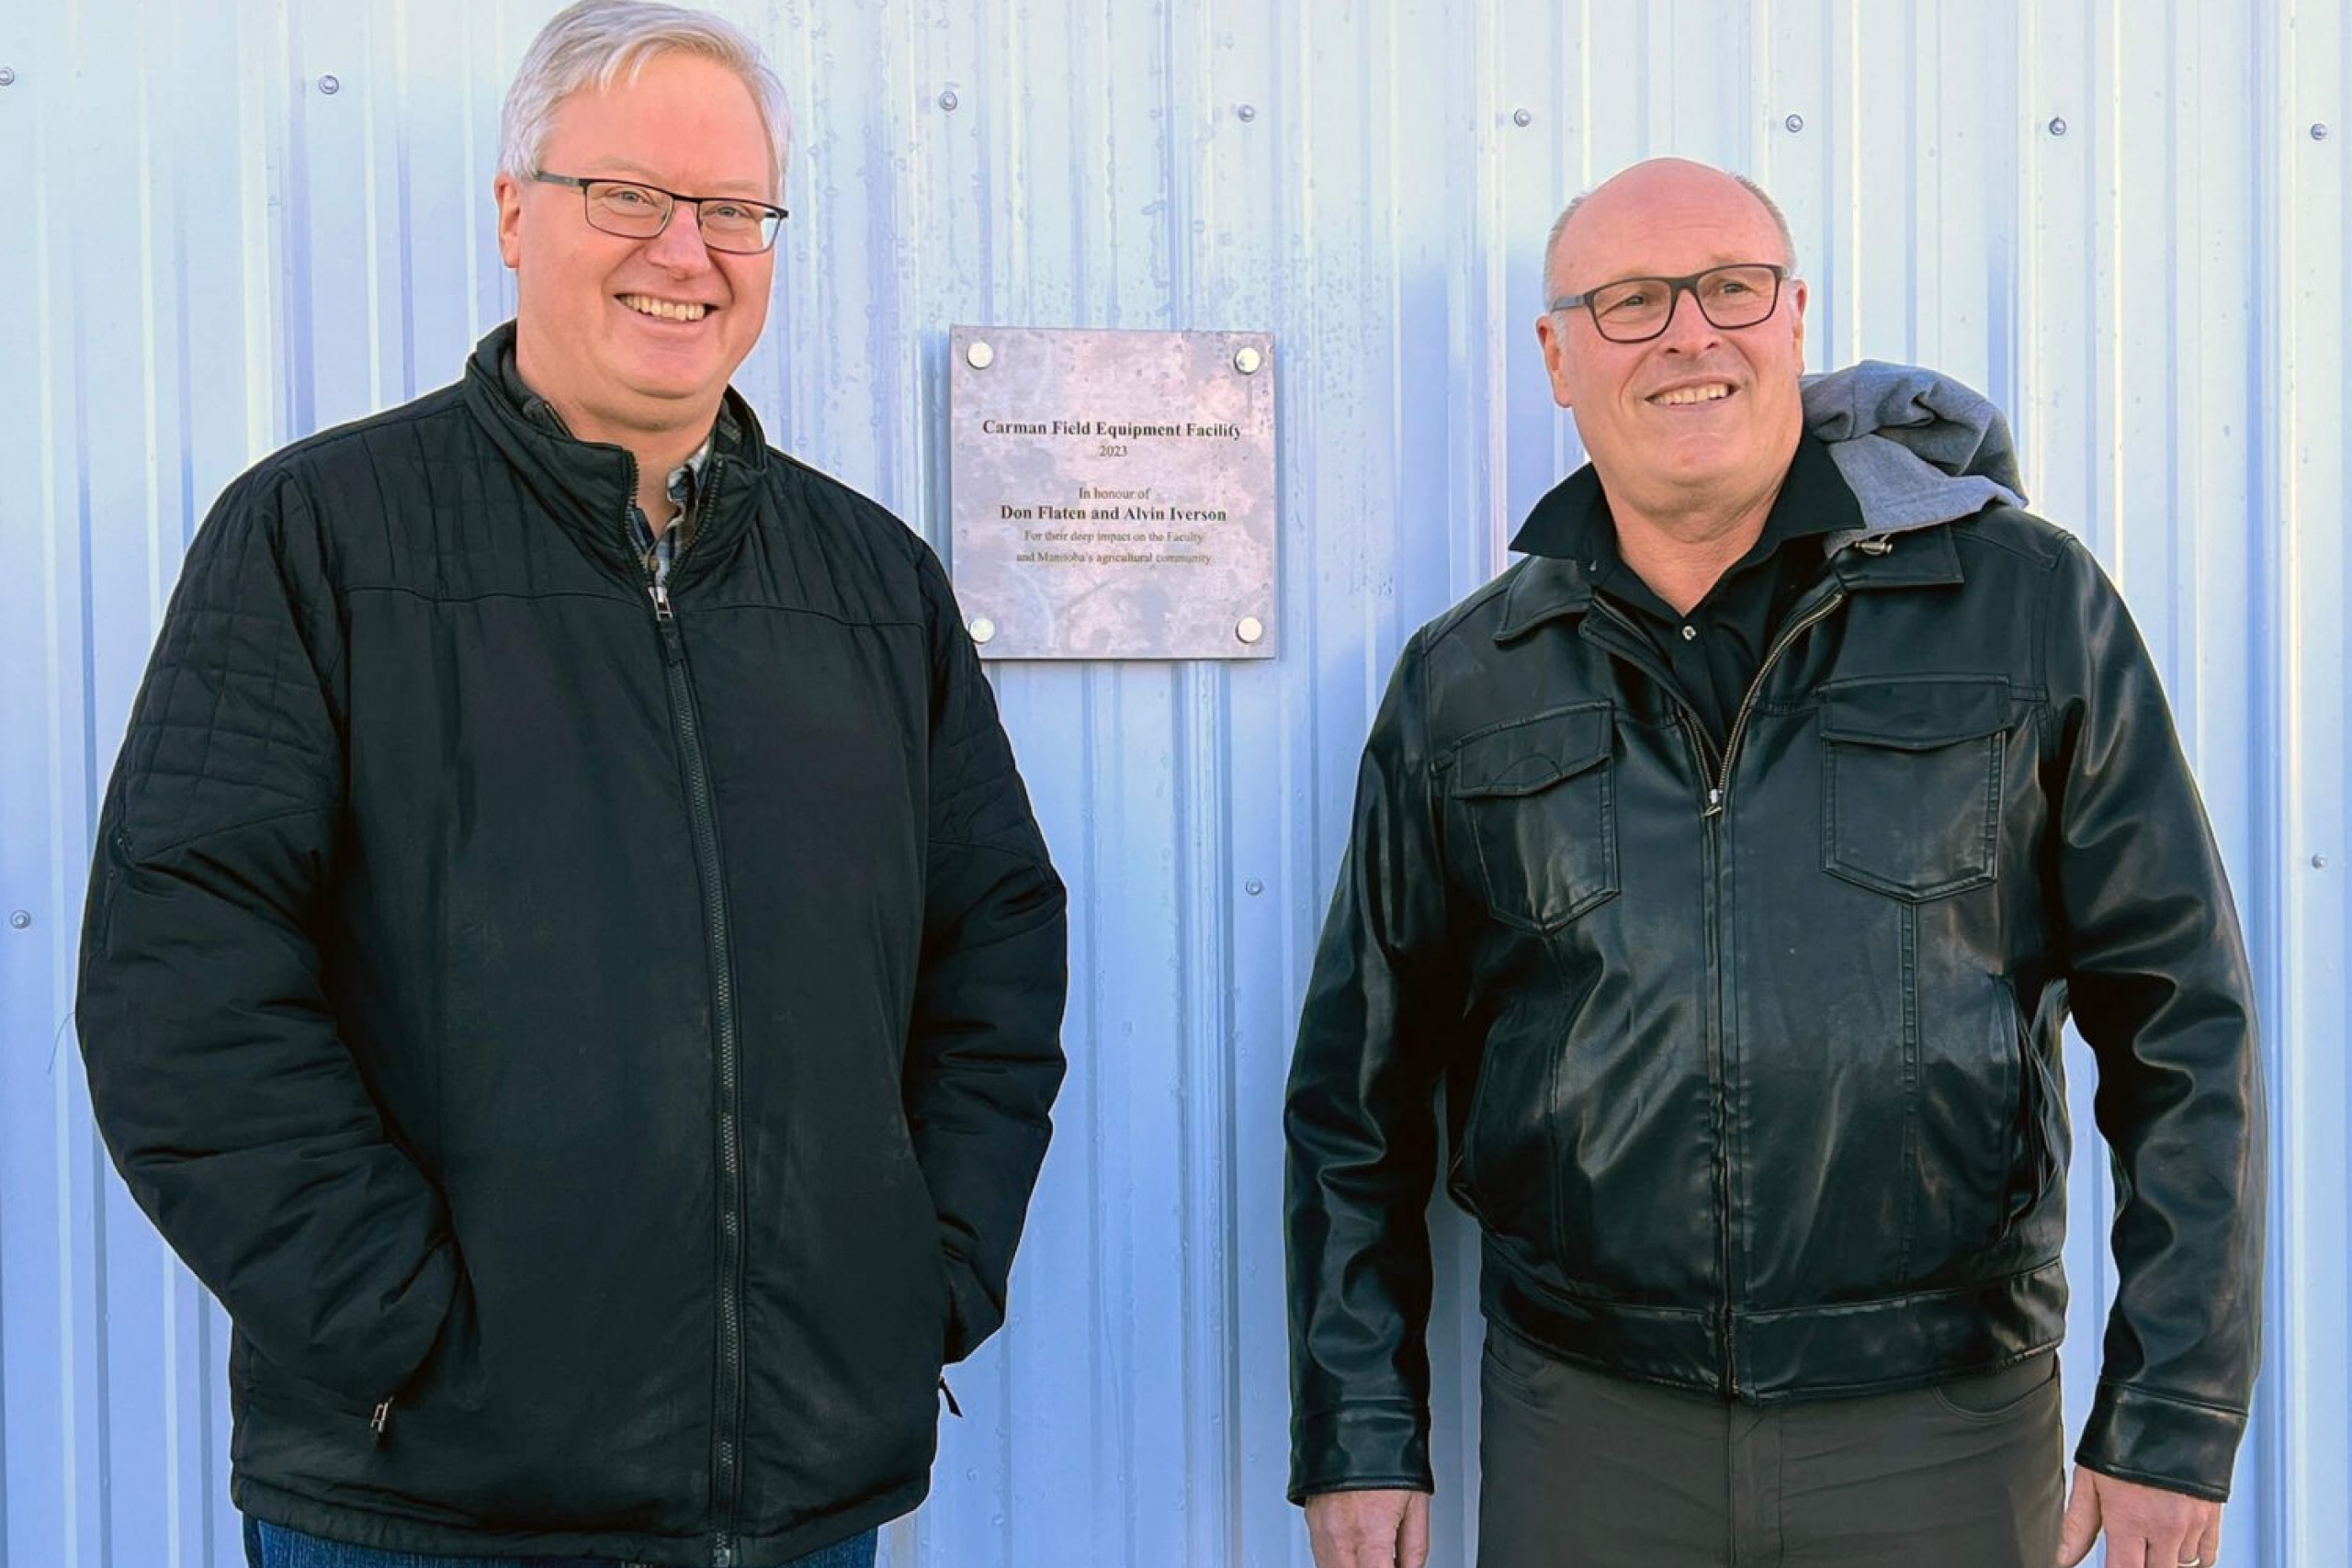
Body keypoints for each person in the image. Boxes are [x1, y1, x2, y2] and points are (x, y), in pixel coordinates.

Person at [75, 4, 1068, 1564]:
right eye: (627, 196)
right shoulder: (321, 542)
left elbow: (996, 948)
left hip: (799, 1506)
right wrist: (408, 1332)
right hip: (425, 1506)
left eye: (732, 209)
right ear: (511, 212)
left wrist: (920, 1275)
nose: (686, 250)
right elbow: (181, 987)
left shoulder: (872, 584)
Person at [1283, 157, 2263, 1568]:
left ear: (1793, 319)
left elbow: (2185, 1023)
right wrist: (1361, 1425)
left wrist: (2173, 1406)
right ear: (1558, 359)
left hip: (1940, 1422)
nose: (1689, 333)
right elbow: (1357, 1095)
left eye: (1729, 287)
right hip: (1587, 1428)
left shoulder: (2025, 607)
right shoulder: (1468, 680)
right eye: (1629, 302)